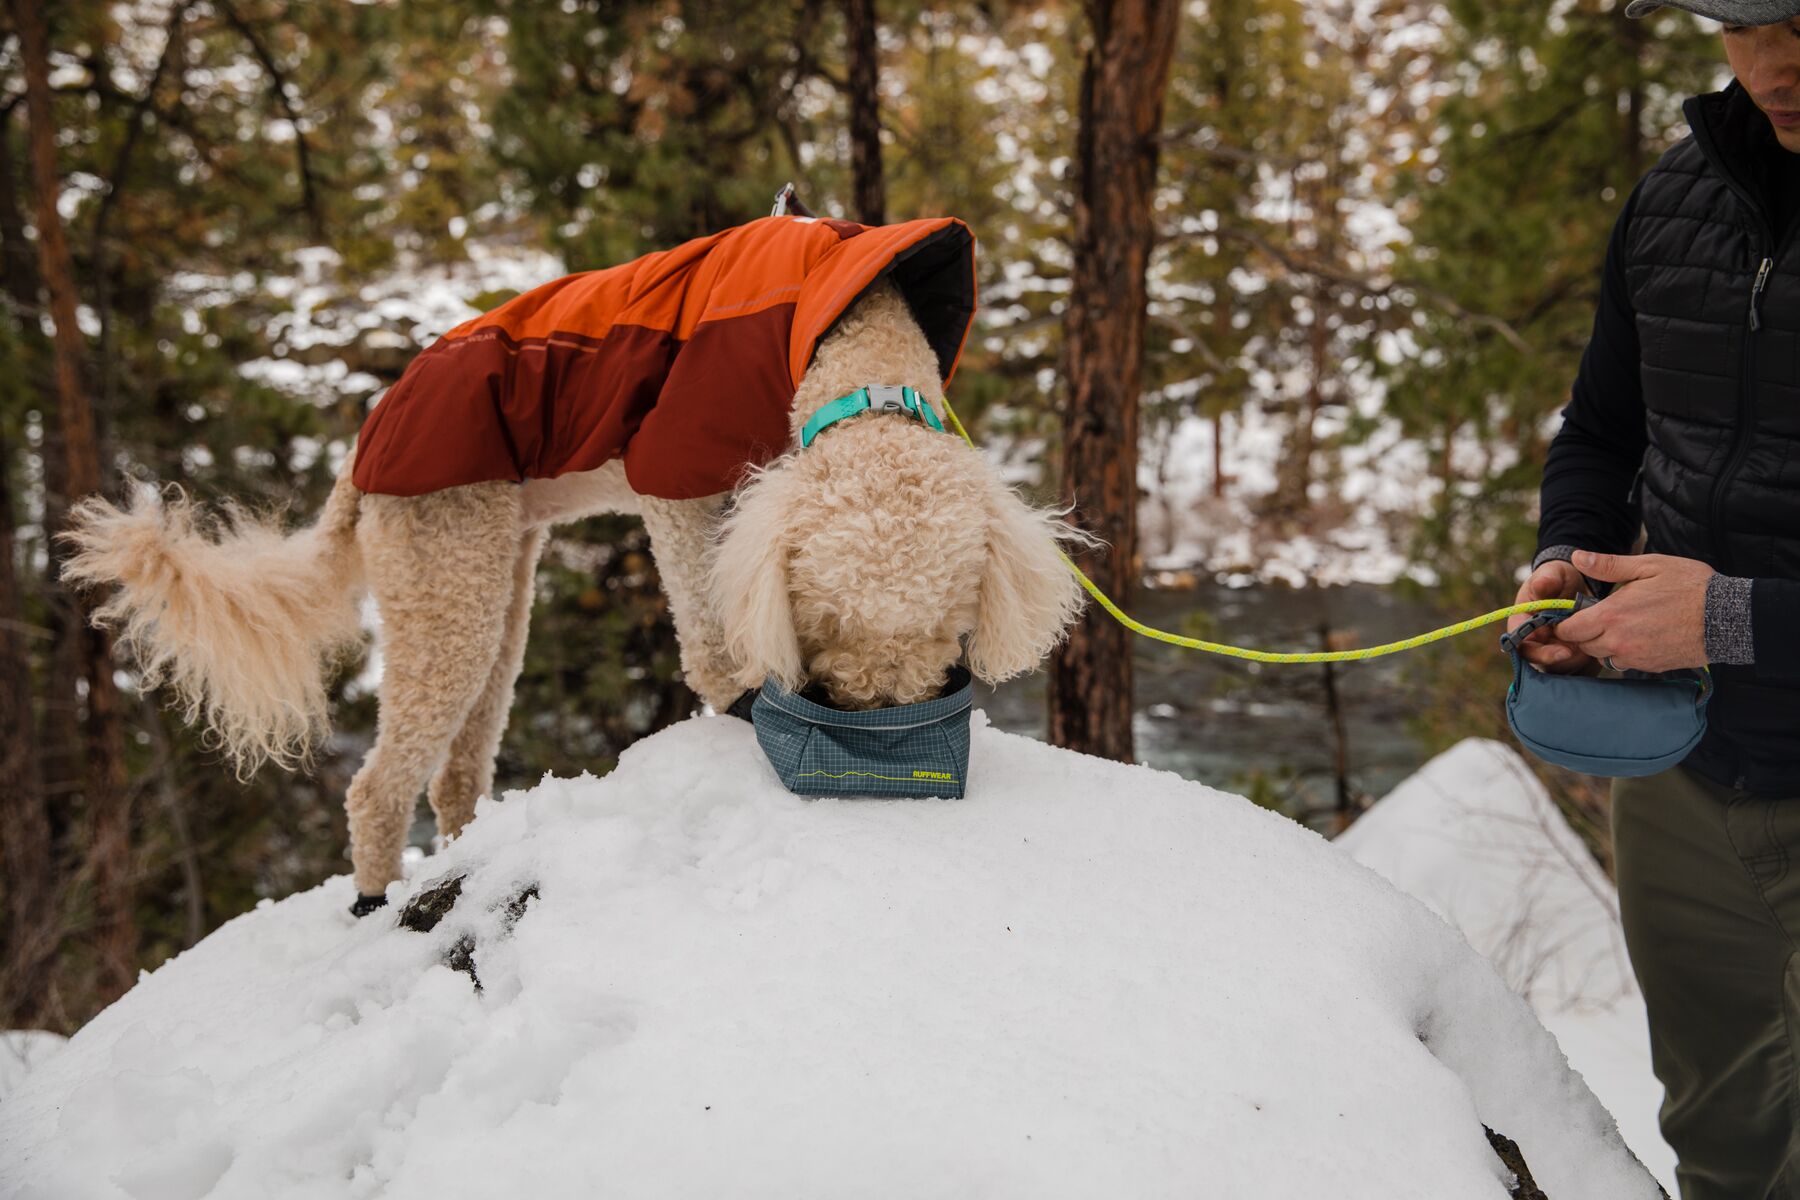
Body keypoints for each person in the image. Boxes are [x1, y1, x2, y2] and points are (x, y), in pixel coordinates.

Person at [1508, 2, 1800, 1195]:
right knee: (1721, 1147)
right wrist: (1571, 550)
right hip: (1683, 779)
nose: (1777, 62)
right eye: (1745, 21)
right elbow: (1604, 431)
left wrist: (1732, 617)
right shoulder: (1674, 197)